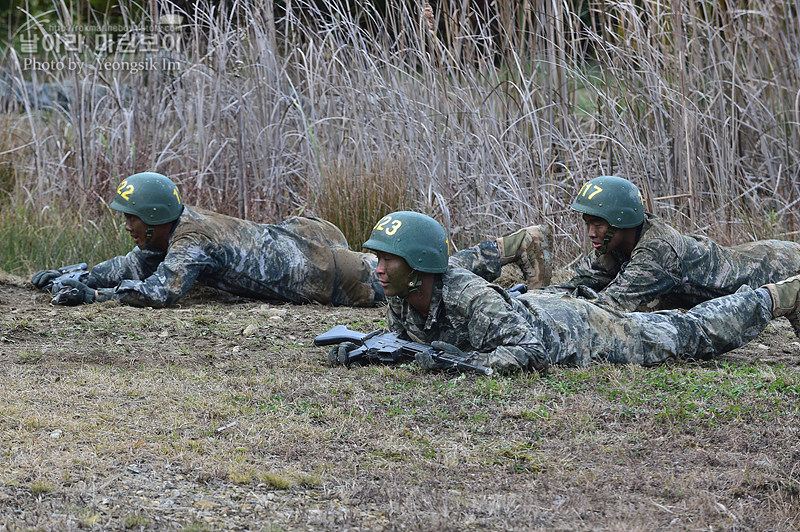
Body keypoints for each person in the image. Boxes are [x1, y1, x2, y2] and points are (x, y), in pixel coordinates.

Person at [327, 210, 800, 375]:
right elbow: (414, 342)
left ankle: (778, 298)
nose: (379, 269)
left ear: (421, 265)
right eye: (379, 258)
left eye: (388, 259)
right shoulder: (400, 294)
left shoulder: (471, 297)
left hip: (577, 331)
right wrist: (373, 351)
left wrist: (470, 364)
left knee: (686, 335)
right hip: (545, 309)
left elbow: (528, 350)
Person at [30, 172, 550, 308]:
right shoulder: (174, 228)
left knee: (423, 273)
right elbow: (134, 263)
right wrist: (75, 275)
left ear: (154, 217)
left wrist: (91, 295)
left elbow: (160, 291)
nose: (127, 225)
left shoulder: (190, 239)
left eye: (131, 218)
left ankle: (512, 246)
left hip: (317, 272)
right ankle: (508, 256)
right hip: (300, 243)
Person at [550, 175, 800, 313]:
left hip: (776, 264)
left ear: (621, 220)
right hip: (752, 255)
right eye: (588, 224)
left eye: (598, 224)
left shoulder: (657, 249)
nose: (591, 233)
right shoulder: (613, 242)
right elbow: (576, 284)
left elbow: (610, 307)